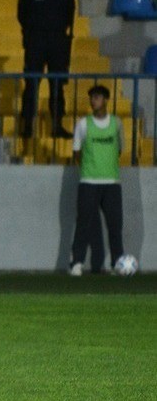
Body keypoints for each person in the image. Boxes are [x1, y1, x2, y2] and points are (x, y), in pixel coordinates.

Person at [18, 0, 76, 139]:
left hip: (58, 44)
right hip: (36, 43)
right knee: (32, 85)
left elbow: (69, 16)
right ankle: (27, 125)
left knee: (57, 85)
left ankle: (57, 125)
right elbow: (22, 15)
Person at [69, 84, 124, 275]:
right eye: (92, 97)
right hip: (89, 182)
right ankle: (77, 262)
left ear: (106, 100)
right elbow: (76, 151)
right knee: (83, 223)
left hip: (112, 183)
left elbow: (119, 149)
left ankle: (117, 263)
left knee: (115, 225)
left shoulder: (116, 124)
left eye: (98, 97)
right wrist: (88, 167)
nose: (94, 100)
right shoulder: (83, 124)